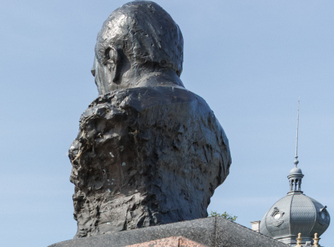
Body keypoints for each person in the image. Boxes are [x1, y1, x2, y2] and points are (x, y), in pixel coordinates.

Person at [69, 1, 230, 235]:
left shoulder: (113, 115)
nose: (94, 73)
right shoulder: (216, 133)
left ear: (112, 59)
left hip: (123, 242)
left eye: (98, 63)